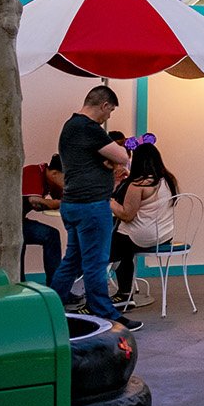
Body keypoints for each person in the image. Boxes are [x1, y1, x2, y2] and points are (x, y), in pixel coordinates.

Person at [47, 85, 141, 331]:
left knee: (72, 260)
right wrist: (113, 158)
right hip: (91, 206)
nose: (108, 117)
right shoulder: (89, 128)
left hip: (72, 204)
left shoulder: (69, 127)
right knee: (96, 262)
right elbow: (122, 156)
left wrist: (106, 161)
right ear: (104, 105)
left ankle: (50, 307)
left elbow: (98, 159)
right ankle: (105, 312)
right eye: (110, 112)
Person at [0, 155, 64, 281]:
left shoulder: (50, 183)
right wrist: (61, 203)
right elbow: (35, 202)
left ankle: (56, 287)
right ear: (54, 173)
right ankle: (18, 284)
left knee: (51, 235)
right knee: (19, 236)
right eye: (66, 178)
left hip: (13, 222)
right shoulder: (34, 172)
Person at [110, 138, 179, 308]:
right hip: (164, 235)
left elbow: (126, 215)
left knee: (113, 242)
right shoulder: (168, 180)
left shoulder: (138, 184)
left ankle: (124, 293)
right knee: (122, 243)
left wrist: (109, 200)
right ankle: (125, 293)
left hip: (142, 237)